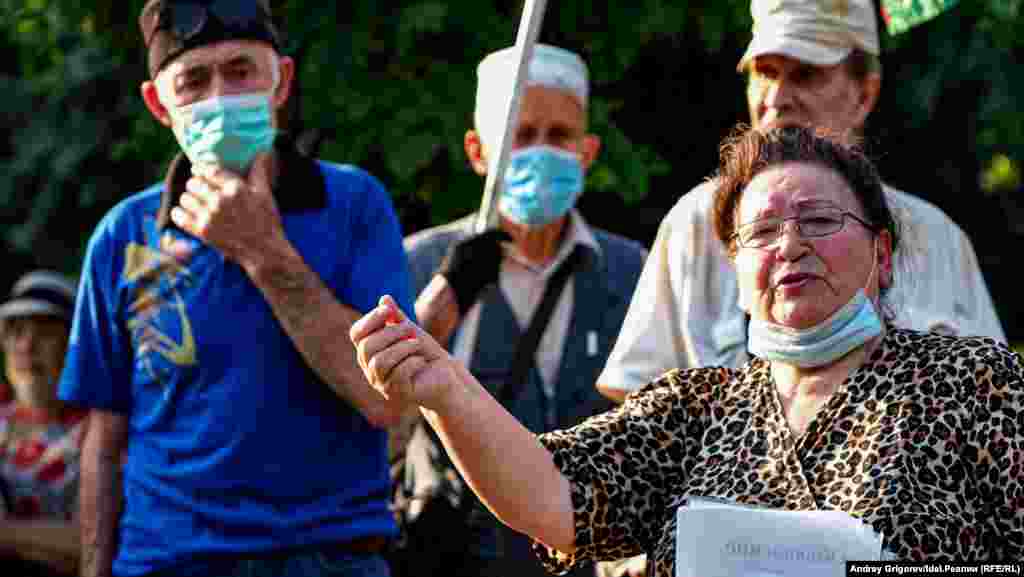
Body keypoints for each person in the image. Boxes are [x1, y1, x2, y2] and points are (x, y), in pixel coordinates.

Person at [352, 125, 1023, 576]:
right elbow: (549, 494)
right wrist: (444, 388)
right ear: (736, 269)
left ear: (883, 253)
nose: (791, 245)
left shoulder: (974, 382)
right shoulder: (697, 408)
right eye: (762, 233)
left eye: (819, 220)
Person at [57, 1, 414, 576]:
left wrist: (263, 251)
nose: (221, 97)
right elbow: (105, 439)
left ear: (282, 82)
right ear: (159, 104)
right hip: (167, 560)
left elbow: (386, 401)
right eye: (194, 81)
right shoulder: (124, 234)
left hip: (330, 557)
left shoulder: (354, 206)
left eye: (241, 71)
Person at [595, 0, 1005, 405]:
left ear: (864, 93)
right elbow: (640, 401)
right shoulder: (697, 221)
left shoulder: (936, 237)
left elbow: (993, 402)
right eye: (764, 72)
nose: (777, 98)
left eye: (805, 74)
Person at [399, 44, 647, 577]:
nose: (541, 152)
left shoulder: (632, 273)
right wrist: (437, 310)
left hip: (591, 557)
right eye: (521, 135)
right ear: (477, 150)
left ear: (587, 151)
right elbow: (374, 418)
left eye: (559, 136)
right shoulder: (419, 265)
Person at [0, 271, 85, 577]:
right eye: (16, 331)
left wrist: (6, 533)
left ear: (73, 345)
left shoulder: (100, 433)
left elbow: (94, 543)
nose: (26, 346)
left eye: (44, 332)